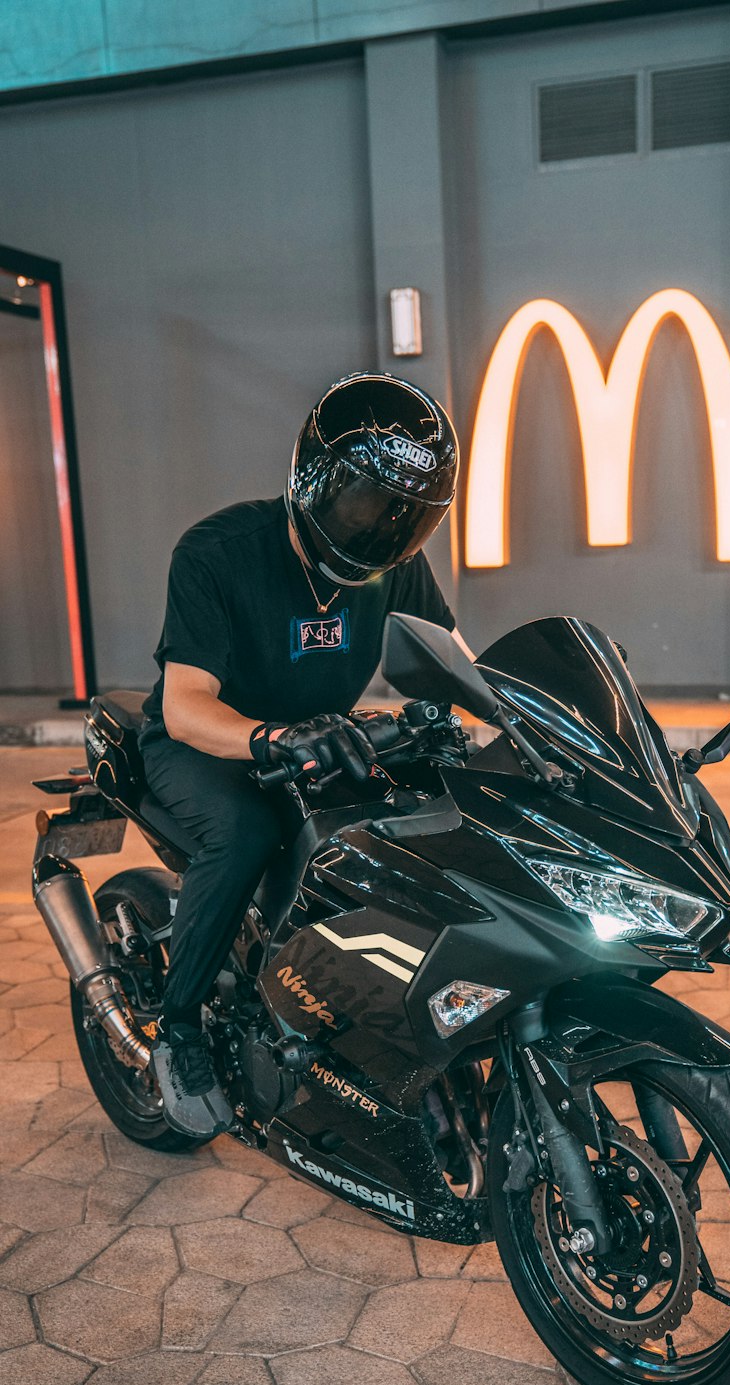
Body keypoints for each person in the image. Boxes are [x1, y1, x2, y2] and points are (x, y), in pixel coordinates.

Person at [138, 372, 463, 1139]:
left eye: (405, 519)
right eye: (366, 504)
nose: (381, 530)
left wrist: (523, 725)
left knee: (392, 833)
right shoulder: (219, 553)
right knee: (250, 833)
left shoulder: (393, 563)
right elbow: (186, 704)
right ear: (314, 481)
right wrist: (273, 738)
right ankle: (179, 1031)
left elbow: (455, 666)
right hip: (208, 741)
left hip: (319, 736)